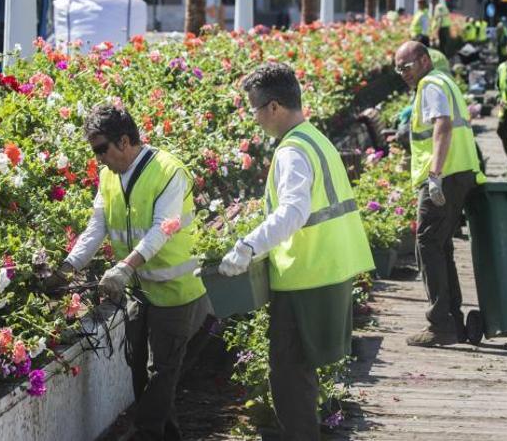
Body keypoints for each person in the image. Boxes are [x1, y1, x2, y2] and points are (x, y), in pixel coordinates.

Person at [217, 63, 374, 440]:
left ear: (273, 107)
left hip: (307, 275)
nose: (254, 119)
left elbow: (293, 211)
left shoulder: (291, 151)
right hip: (329, 268)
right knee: (301, 372)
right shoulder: (314, 139)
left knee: (289, 376)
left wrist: (247, 246)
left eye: (255, 109)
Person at [57, 105, 212, 441]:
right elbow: (97, 226)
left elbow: (162, 229)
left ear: (124, 141)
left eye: (102, 150)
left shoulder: (168, 171)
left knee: (164, 369)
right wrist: (68, 266)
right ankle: (164, 433)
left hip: (176, 288)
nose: (98, 159)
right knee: (137, 362)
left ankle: (146, 432)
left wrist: (125, 267)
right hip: (139, 288)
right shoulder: (109, 176)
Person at [394, 41, 485, 347]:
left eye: (406, 66)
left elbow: (442, 127)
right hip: (459, 172)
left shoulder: (431, 84)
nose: (403, 73)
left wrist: (434, 175)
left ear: (423, 60)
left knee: (427, 244)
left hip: (444, 176)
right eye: (398, 69)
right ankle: (453, 322)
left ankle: (440, 323)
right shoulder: (443, 81)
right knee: (440, 245)